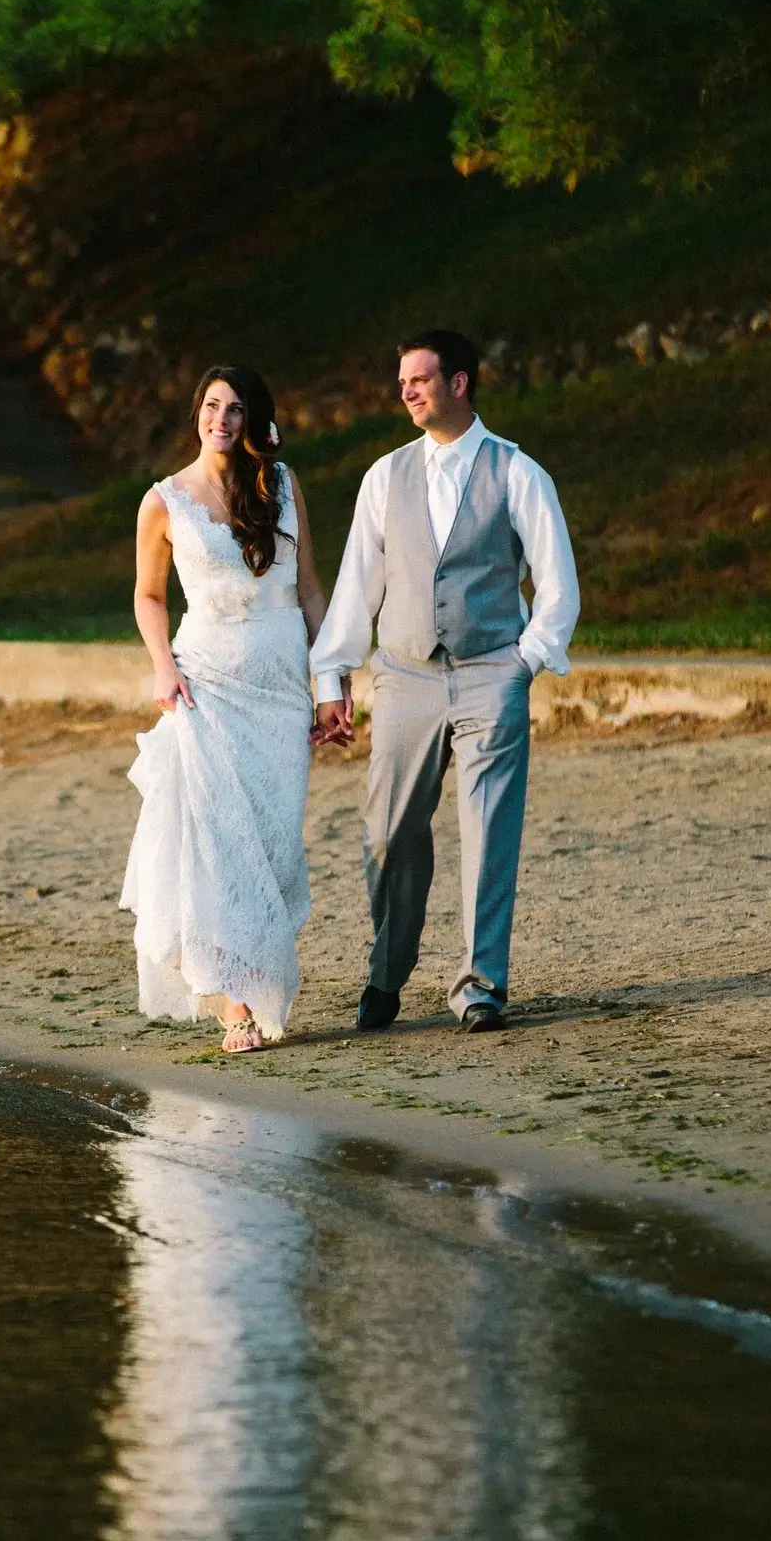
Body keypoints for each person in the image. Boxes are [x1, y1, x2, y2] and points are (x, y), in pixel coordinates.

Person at [308, 330, 580, 1034]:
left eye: (420, 379)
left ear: (460, 384)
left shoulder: (518, 471)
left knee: (489, 829)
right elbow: (357, 583)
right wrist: (331, 675)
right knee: (389, 832)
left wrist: (528, 659)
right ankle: (387, 972)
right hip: (403, 675)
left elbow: (557, 582)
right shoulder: (384, 476)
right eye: (402, 380)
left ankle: (479, 987)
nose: (406, 391)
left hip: (493, 670)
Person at [120, 364, 333, 1051]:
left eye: (236, 408)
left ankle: (248, 974)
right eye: (212, 405)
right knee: (221, 843)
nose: (223, 418)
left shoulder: (282, 484)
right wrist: (161, 666)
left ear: (252, 419)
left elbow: (308, 589)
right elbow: (149, 595)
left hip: (280, 683)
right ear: (197, 413)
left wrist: (331, 679)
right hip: (206, 682)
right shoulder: (165, 501)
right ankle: (238, 1000)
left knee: (271, 840)